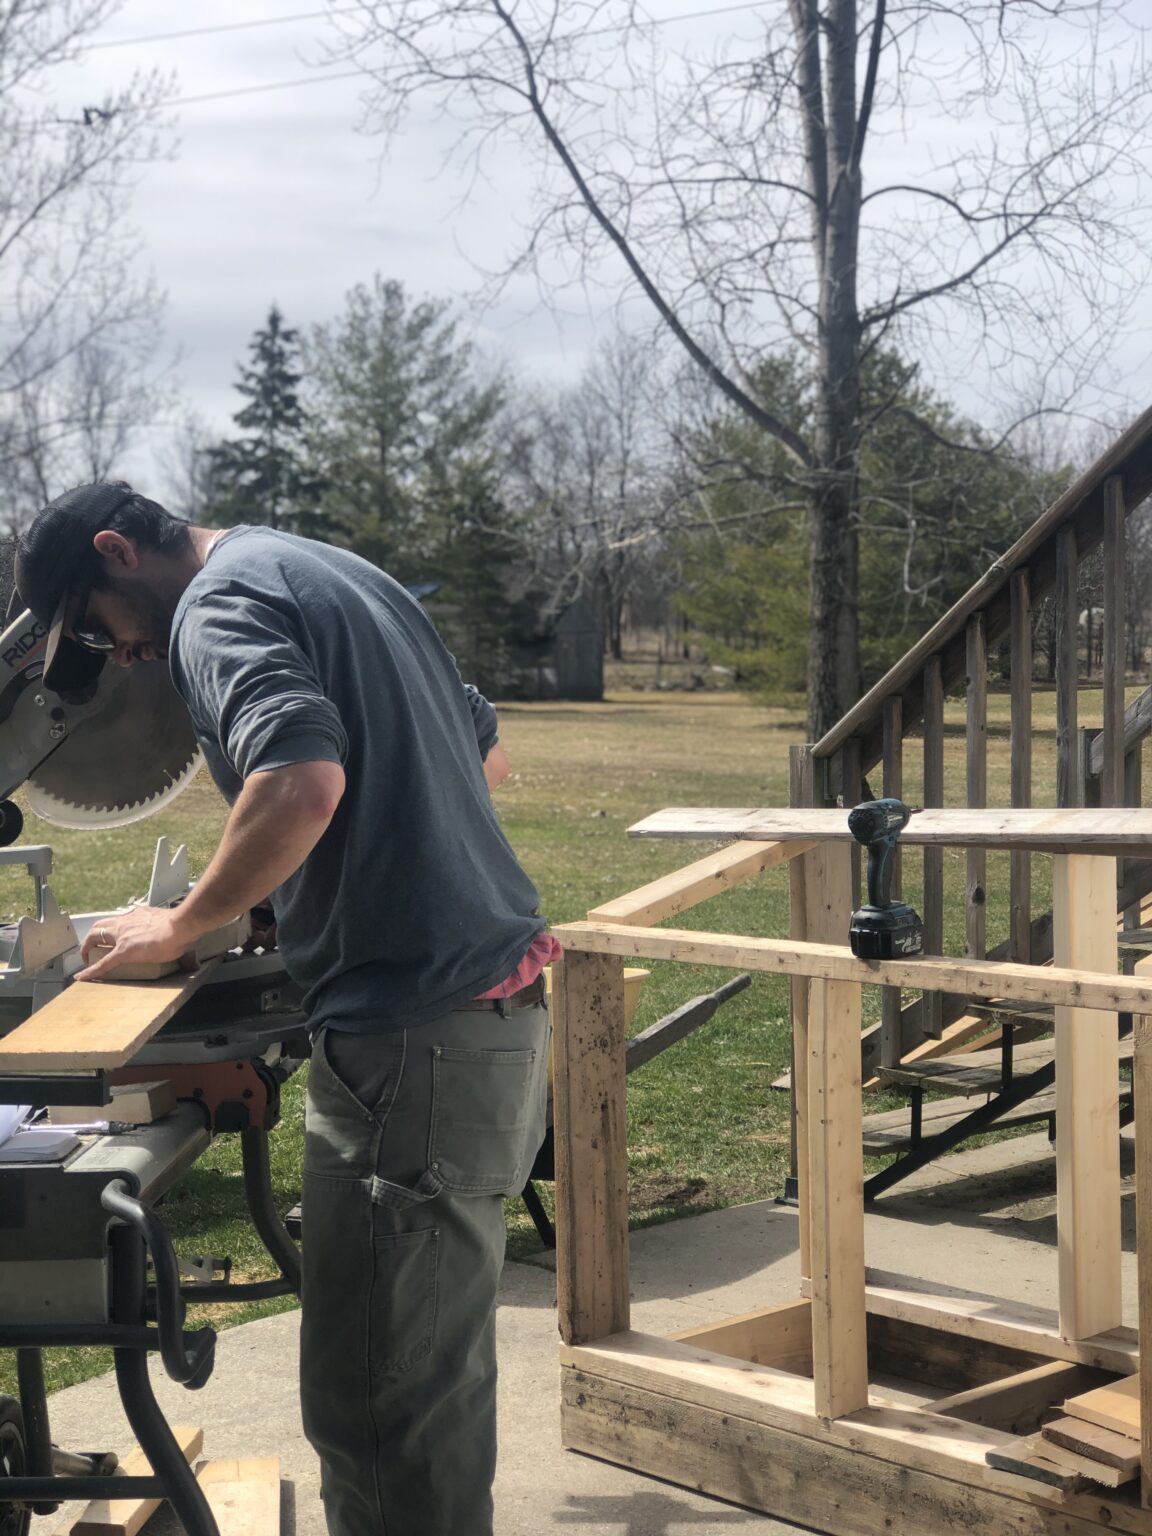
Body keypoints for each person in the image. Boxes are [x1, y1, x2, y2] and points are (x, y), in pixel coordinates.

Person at [14, 482, 559, 1536]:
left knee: (378, 1411)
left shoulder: (217, 609)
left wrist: (184, 925)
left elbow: (303, 782)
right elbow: (476, 755)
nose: (121, 656)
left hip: (412, 1042)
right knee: (432, 1389)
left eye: (96, 628)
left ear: (118, 551)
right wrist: (293, 890)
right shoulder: (324, 568)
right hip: (484, 1017)